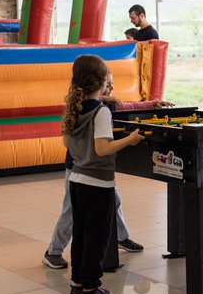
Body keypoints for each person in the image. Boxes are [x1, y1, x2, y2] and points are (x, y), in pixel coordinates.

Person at [43, 71, 154, 270]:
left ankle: (121, 237)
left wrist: (153, 104)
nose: (111, 88)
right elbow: (100, 148)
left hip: (94, 170)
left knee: (114, 201)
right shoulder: (87, 108)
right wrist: (129, 140)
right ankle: (53, 252)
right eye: (108, 84)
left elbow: (128, 105)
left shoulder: (104, 105)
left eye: (111, 84)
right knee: (71, 211)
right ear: (97, 85)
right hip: (79, 168)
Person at [62, 55, 142, 294]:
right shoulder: (101, 112)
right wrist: (130, 140)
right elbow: (103, 148)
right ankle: (91, 290)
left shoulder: (73, 107)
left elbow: (66, 143)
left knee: (80, 236)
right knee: (96, 239)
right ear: (100, 81)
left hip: (76, 180)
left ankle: (77, 286)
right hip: (97, 184)